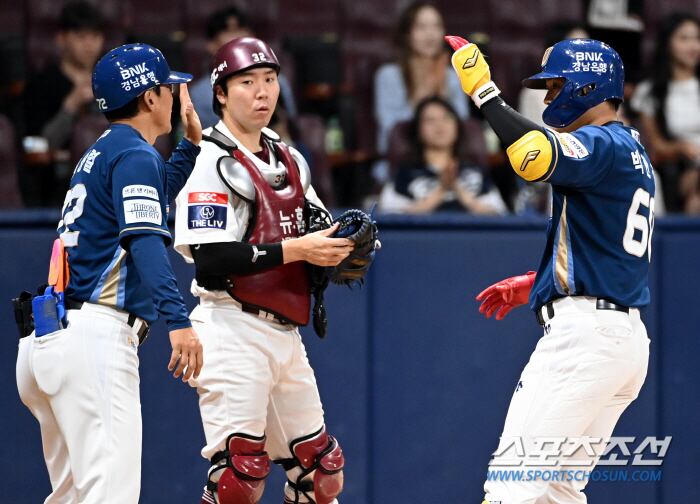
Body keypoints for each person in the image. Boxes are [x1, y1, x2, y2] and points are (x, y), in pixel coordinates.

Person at [445, 35, 654, 502]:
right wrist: (541, 283)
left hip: (586, 339)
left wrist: (483, 92)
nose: (547, 99)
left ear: (587, 86)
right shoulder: (630, 148)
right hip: (620, 339)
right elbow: (609, 246)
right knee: (556, 493)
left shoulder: (601, 141)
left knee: (510, 488)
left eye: (556, 86)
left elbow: (532, 157)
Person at [16, 43, 204, 503]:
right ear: (149, 97)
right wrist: (178, 320)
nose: (175, 97)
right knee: (110, 496)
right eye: (168, 88)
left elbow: (148, 204)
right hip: (93, 340)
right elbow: (144, 240)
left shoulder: (103, 151)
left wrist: (190, 148)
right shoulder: (135, 156)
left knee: (73, 496)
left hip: (53, 338)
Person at [173, 37, 352, 504]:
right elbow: (211, 258)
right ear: (220, 93)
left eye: (269, 80)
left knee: (320, 473)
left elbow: (316, 230)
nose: (262, 92)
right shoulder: (208, 158)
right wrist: (297, 250)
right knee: (239, 478)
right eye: (247, 82)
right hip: (230, 327)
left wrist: (344, 246)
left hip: (285, 333)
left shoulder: (289, 156)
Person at [20, 1, 107, 207]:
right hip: (57, 188)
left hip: (107, 180)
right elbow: (30, 145)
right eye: (81, 37)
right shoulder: (40, 86)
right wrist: (70, 106)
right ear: (62, 39)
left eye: (95, 36)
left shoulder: (111, 83)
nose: (89, 45)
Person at [373, 1, 468, 181]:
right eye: (421, 27)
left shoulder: (452, 76)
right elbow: (391, 131)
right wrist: (423, 92)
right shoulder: (388, 76)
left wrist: (441, 92)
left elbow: (462, 124)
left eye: (436, 26)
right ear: (407, 34)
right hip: (401, 164)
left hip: (448, 163)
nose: (430, 34)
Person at [379, 95, 506, 214]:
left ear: (457, 127)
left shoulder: (475, 172)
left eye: (447, 118)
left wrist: (458, 189)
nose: (440, 125)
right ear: (418, 130)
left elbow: (500, 216)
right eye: (430, 120)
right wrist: (441, 190)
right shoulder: (404, 175)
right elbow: (389, 218)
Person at [630, 12, 700, 213]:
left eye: (697, 38)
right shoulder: (651, 91)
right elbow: (656, 147)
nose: (693, 46)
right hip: (680, 166)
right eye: (684, 38)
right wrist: (681, 148)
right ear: (667, 43)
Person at [189, 6, 297, 129]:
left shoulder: (277, 80)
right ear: (211, 45)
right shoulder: (200, 93)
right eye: (230, 31)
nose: (239, 37)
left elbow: (290, 123)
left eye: (242, 29)